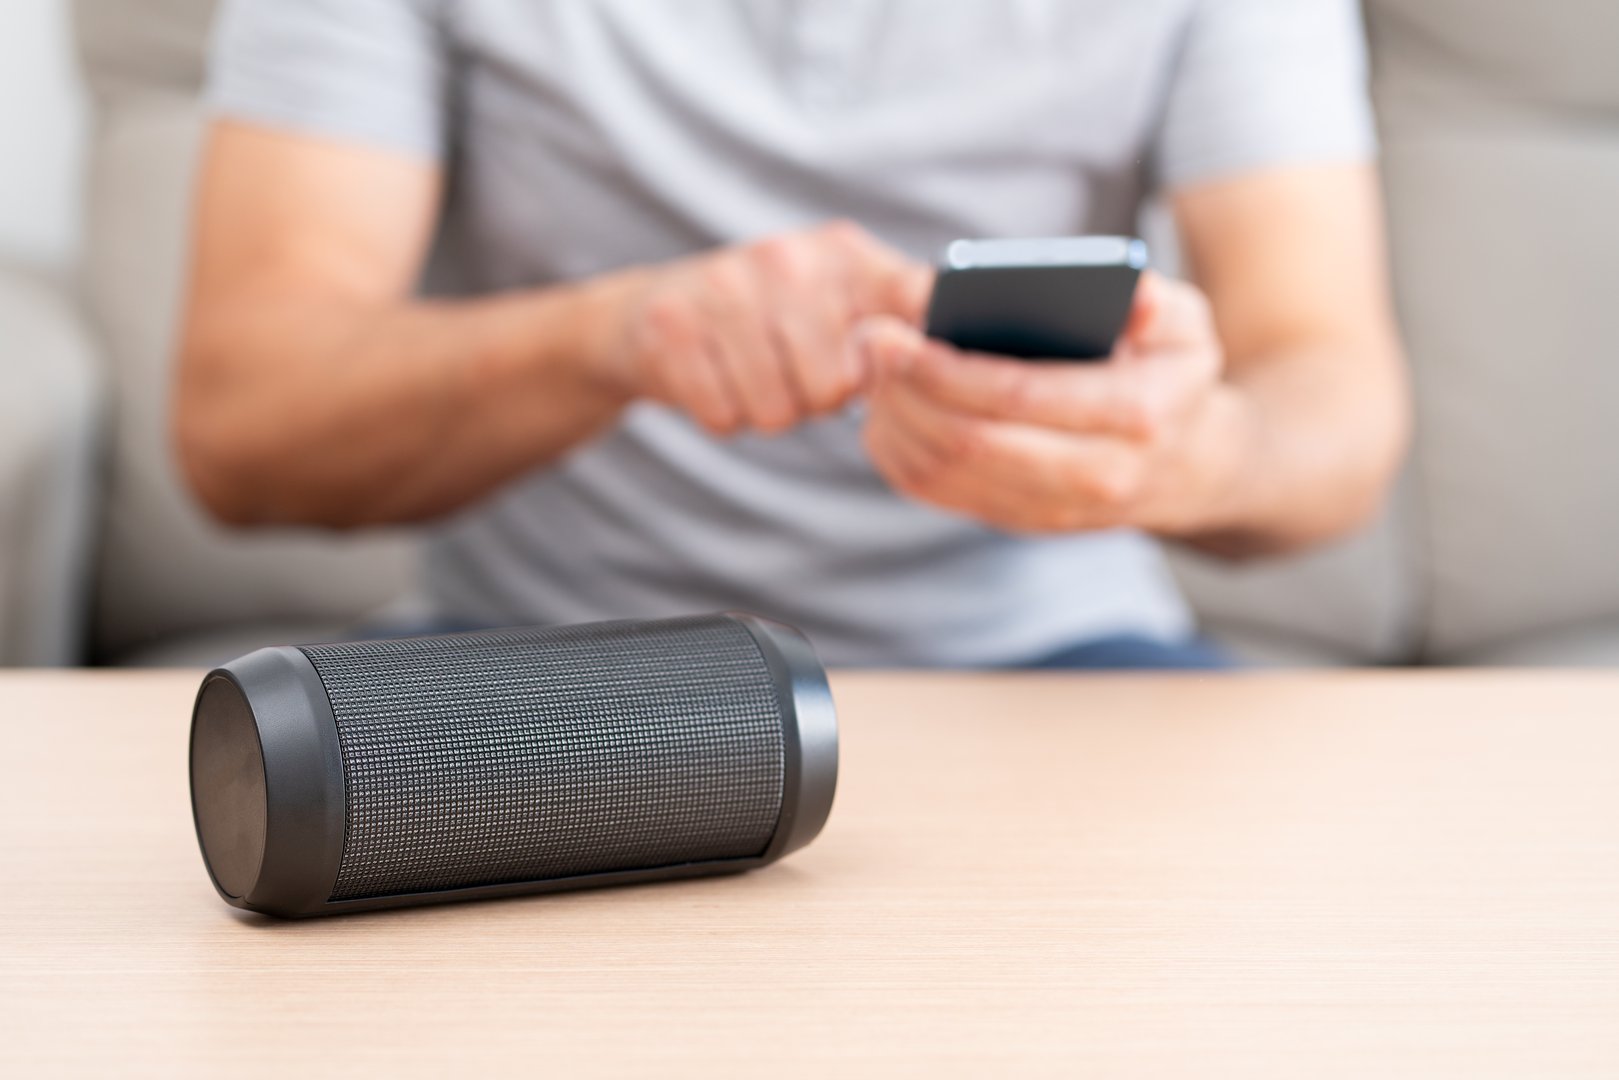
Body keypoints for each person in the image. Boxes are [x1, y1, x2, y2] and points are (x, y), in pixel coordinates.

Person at [175, 1, 1408, 669]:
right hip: (543, 663)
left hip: (1052, 651)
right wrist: (612, 336)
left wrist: (1186, 452)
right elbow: (242, 426)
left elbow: (1334, 398)